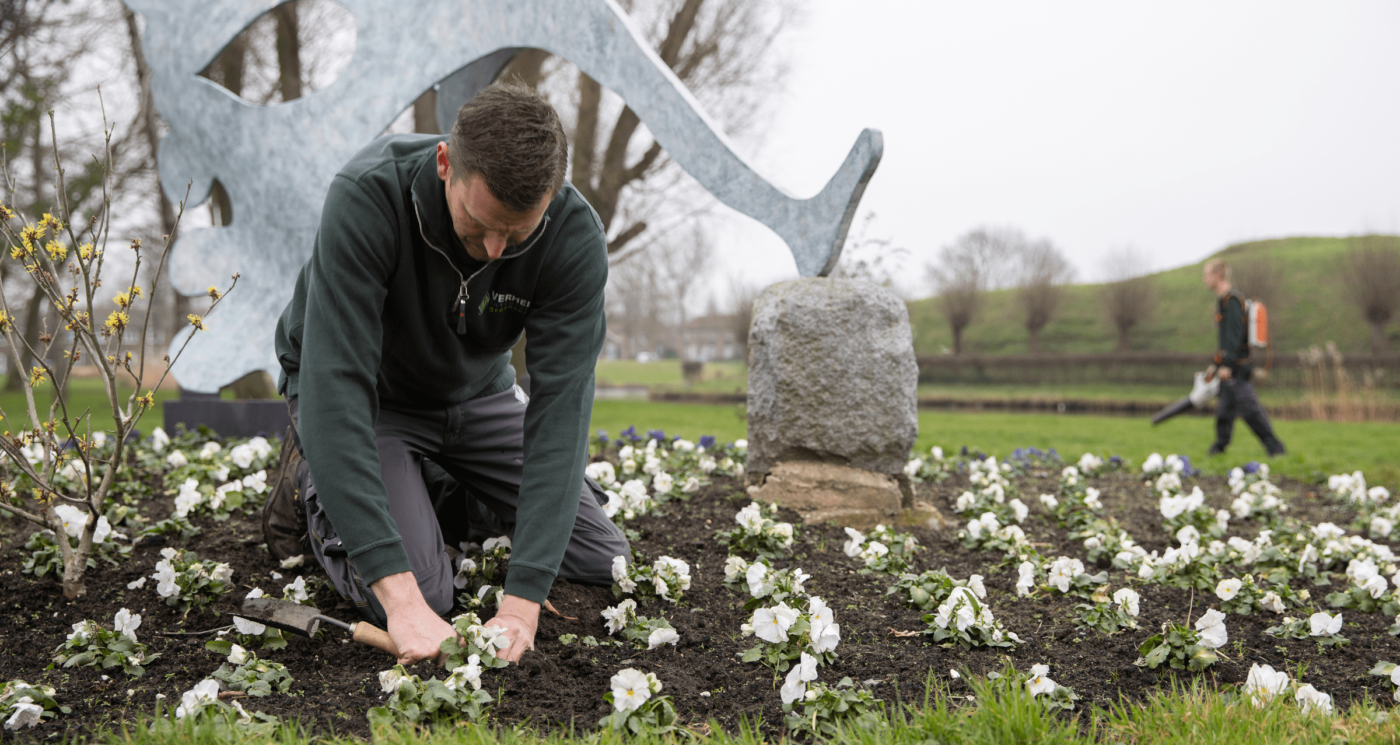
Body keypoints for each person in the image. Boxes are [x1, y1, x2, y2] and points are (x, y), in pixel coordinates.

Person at [272, 83, 629, 666]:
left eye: (517, 234)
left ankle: (428, 486)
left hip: (474, 395)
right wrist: (404, 601)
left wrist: (522, 603)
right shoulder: (369, 197)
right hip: (372, 400)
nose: (493, 251)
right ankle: (316, 494)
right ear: (445, 165)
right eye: (478, 222)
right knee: (427, 592)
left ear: (553, 194)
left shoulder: (572, 235)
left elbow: (560, 414)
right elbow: (336, 387)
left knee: (599, 555)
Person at [1201, 259, 1286, 457]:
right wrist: (1215, 364)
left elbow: (1234, 337)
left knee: (1249, 410)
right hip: (1229, 366)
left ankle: (1275, 448)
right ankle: (1219, 448)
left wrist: (1227, 365)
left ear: (1217, 276)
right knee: (1224, 410)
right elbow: (1225, 341)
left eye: (1206, 275)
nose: (1204, 279)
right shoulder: (1223, 300)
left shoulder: (1232, 301)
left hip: (1237, 367)